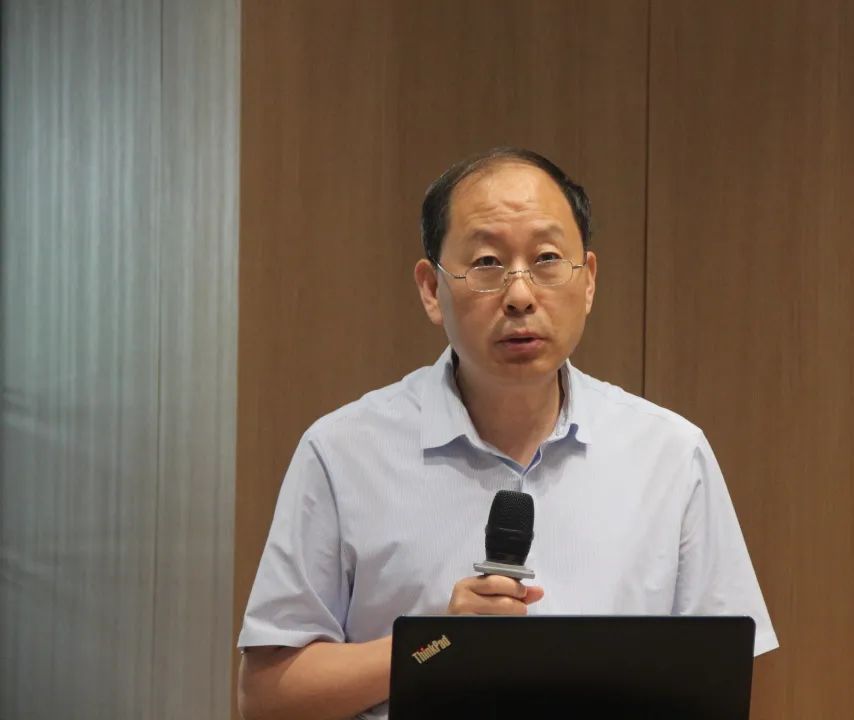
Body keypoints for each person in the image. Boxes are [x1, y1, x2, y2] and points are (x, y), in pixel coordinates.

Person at [237, 148, 778, 720]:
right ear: (431, 289)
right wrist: (436, 645)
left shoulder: (670, 454)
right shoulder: (343, 452)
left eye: (547, 259)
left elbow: (730, 681)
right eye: (488, 263)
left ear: (588, 281)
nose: (520, 295)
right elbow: (268, 698)